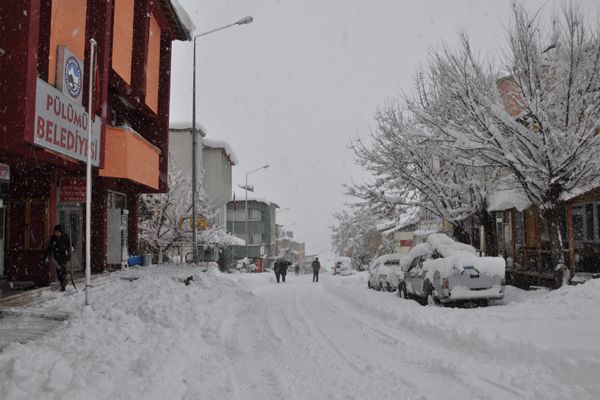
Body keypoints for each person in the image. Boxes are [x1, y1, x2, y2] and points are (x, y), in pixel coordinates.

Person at [47, 224, 71, 291]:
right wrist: (48, 255)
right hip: (56, 257)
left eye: (58, 232)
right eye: (55, 232)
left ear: (61, 232)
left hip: (64, 256)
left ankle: (64, 282)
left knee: (62, 268)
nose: (56, 233)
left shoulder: (65, 237)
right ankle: (62, 281)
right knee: (58, 270)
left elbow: (70, 244)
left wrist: (71, 248)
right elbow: (50, 247)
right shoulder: (53, 238)